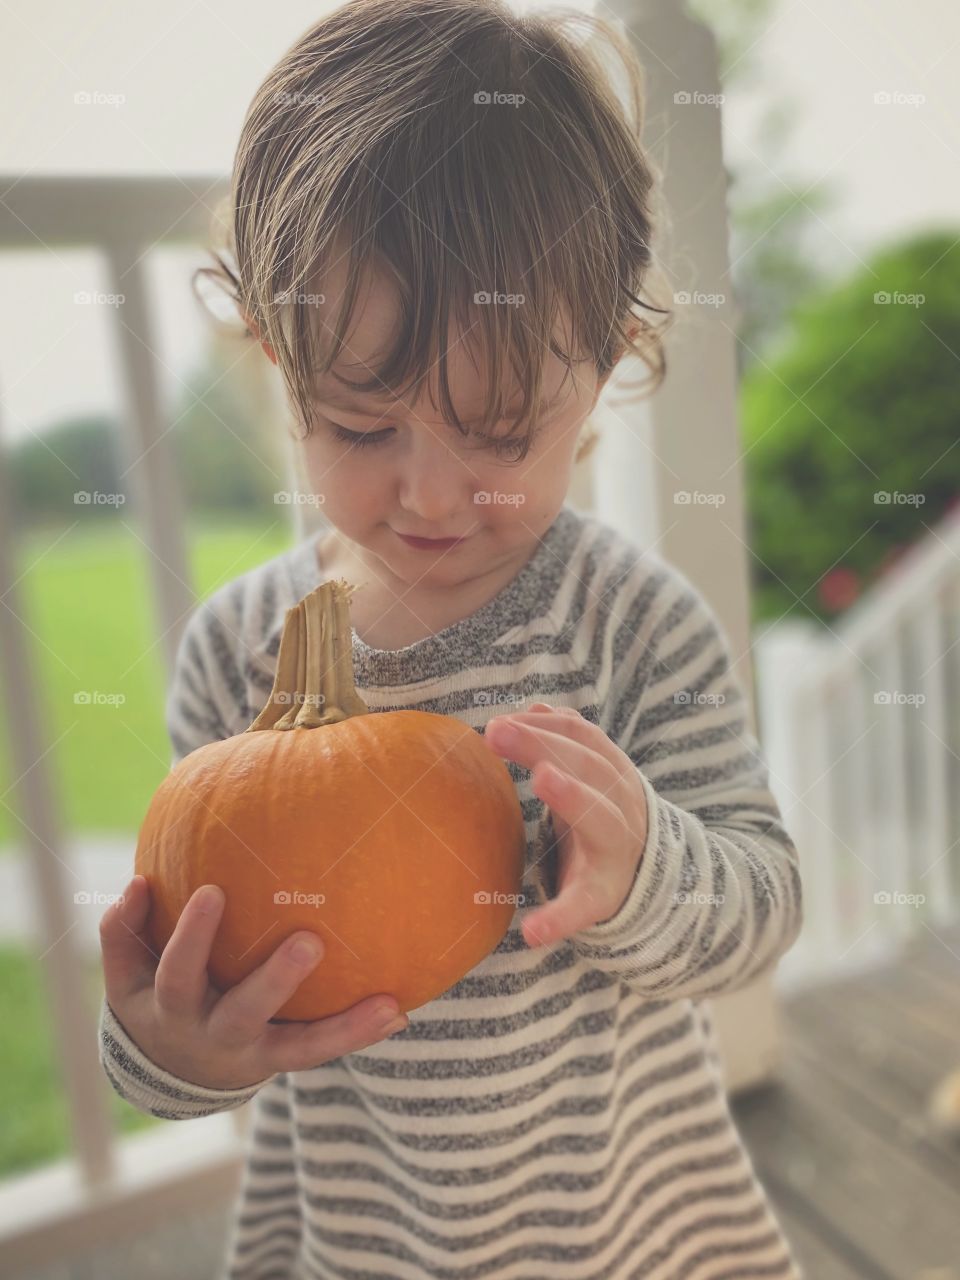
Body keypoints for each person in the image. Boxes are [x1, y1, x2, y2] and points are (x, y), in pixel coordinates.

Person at [97, 1, 804, 1276]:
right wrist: (175, 1050)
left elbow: (760, 906)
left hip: (628, 1237)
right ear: (276, 356)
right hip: (370, 1244)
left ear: (606, 364)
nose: (427, 494)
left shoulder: (629, 624)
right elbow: (188, 1006)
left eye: (497, 430)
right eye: (361, 427)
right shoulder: (234, 655)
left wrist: (650, 868)